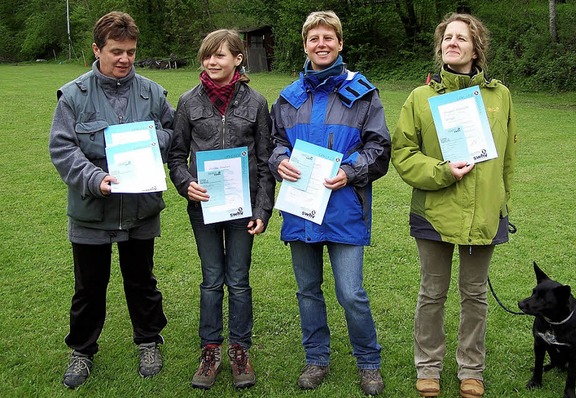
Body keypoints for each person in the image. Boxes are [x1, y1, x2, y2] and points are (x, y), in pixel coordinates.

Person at [391, 13, 517, 398]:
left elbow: (507, 158)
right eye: (447, 37)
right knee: (432, 292)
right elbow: (403, 153)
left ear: (476, 47)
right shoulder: (420, 97)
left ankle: (471, 370)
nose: (453, 42)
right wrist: (443, 171)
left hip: (484, 212)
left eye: (461, 38)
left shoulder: (500, 96)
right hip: (434, 210)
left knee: (474, 294)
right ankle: (428, 367)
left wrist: (502, 204)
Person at [49, 11, 174, 389]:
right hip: (91, 210)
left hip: (140, 209)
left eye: (131, 52)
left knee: (142, 281)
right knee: (89, 286)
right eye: (116, 51)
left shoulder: (152, 93)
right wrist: (94, 178)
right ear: (97, 49)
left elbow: (171, 131)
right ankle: (82, 350)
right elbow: (62, 148)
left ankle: (149, 340)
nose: (124, 59)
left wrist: (155, 144)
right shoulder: (73, 95)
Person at [269, 10, 390, 396]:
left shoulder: (364, 93)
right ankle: (317, 358)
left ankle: (368, 362)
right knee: (307, 290)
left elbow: (379, 148)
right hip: (301, 210)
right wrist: (278, 161)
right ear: (305, 45)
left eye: (328, 37)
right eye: (313, 38)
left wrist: (352, 171)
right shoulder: (288, 98)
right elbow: (273, 144)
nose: (321, 44)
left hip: (344, 209)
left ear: (340, 43)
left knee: (351, 292)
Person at [167, 29, 274, 390]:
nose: (211, 62)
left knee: (239, 282)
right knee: (212, 280)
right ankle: (210, 349)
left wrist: (263, 209)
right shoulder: (188, 102)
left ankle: (240, 350)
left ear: (238, 60)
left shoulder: (257, 103)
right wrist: (185, 184)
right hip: (205, 209)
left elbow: (265, 161)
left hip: (243, 209)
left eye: (220, 56)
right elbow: (176, 155)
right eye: (207, 56)